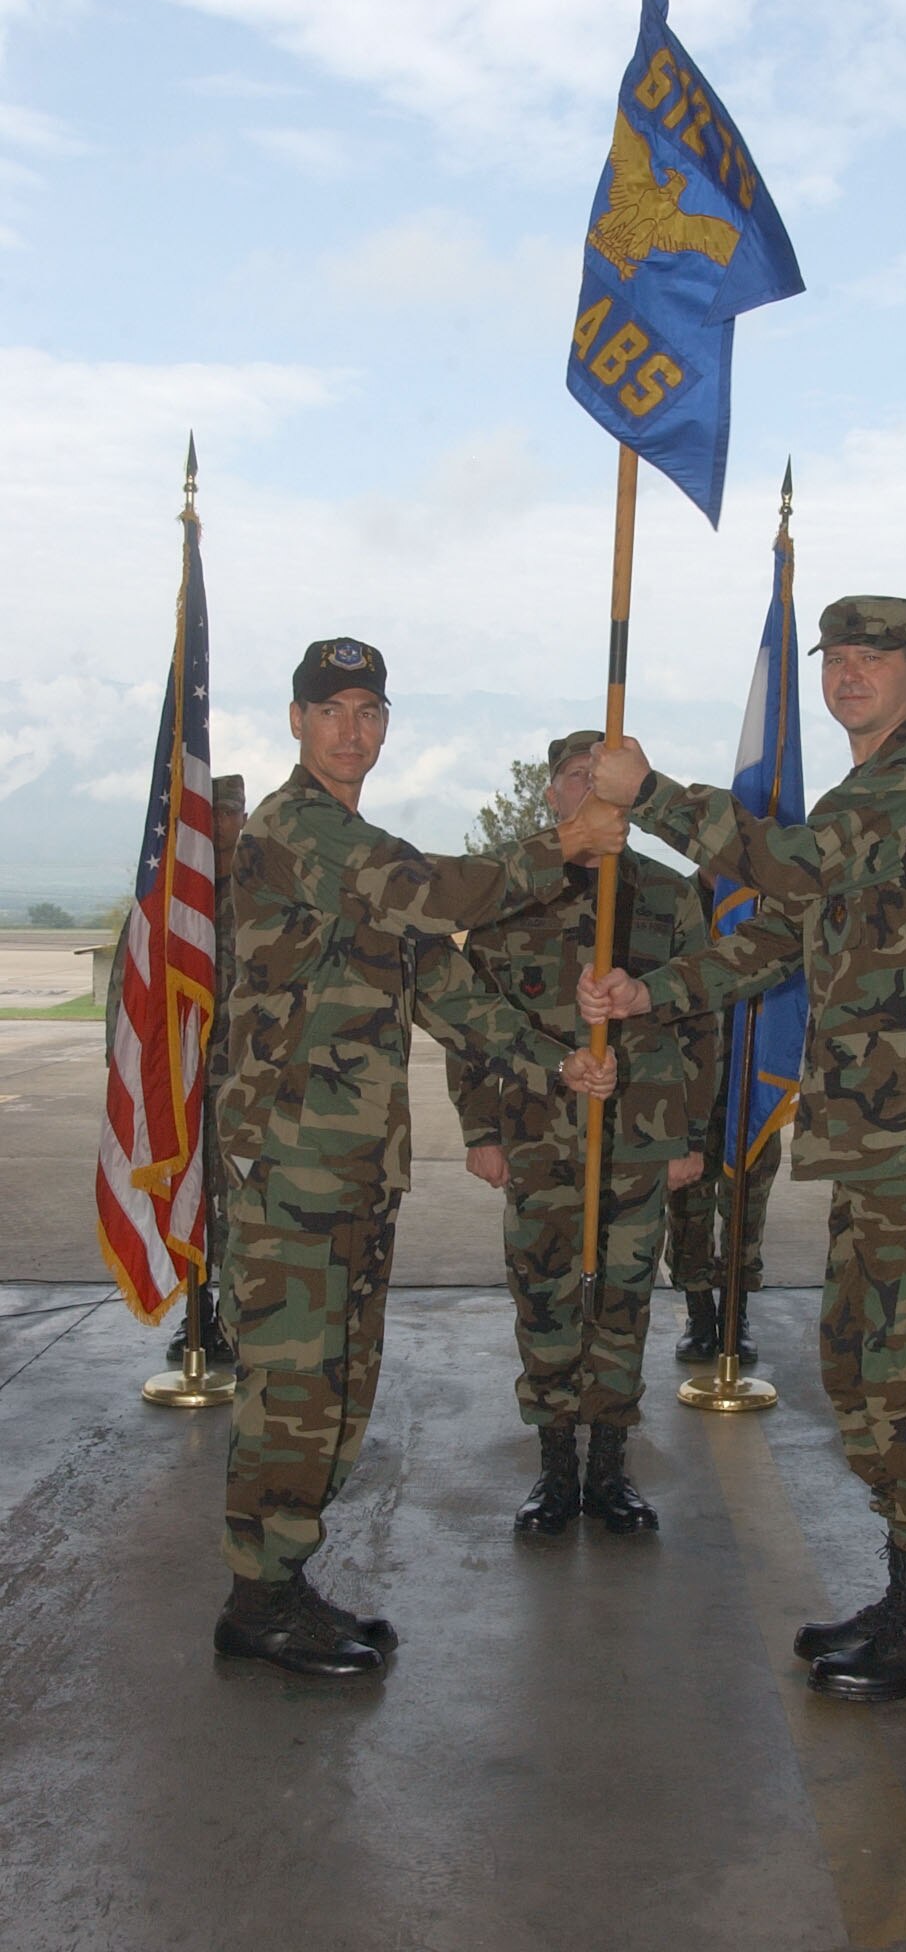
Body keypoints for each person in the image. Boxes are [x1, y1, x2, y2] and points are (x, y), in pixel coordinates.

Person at [581, 596, 906, 1704]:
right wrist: (651, 989)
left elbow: (785, 863)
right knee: (863, 1367)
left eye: (876, 656)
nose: (850, 672)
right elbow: (773, 936)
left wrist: (649, 798)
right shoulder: (857, 798)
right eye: (838, 655)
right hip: (882, 1141)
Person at [213, 641, 621, 1680]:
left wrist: (551, 1060)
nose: (352, 728)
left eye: (369, 708)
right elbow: (439, 893)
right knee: (293, 1383)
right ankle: (257, 1599)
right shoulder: (294, 829)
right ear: (296, 721)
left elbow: (443, 980)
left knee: (342, 1377)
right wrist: (561, 845)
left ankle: (285, 1579)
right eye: (331, 708)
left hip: (353, 1161)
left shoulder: (355, 842)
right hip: (292, 1164)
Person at [448, 731, 717, 1536]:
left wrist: (690, 1137)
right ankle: (555, 1468)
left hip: (640, 1136)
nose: (594, 792)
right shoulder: (510, 892)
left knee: (625, 1301)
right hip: (538, 1137)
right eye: (576, 778)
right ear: (552, 796)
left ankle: (610, 1469)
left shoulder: (668, 897)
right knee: (545, 1297)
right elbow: (469, 1024)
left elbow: (702, 1023)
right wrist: (480, 1129)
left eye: (606, 779)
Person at [105, 773, 247, 1365]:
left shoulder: (265, 898)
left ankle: (239, 1324)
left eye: (232, 815)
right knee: (188, 1199)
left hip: (245, 1088)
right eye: (213, 817)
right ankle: (196, 1315)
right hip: (179, 1090)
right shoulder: (165, 905)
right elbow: (128, 998)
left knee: (241, 1210)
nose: (223, 827)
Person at [665, 872, 780, 1367]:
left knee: (746, 1204)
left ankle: (737, 1313)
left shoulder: (768, 908)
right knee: (687, 1206)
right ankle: (698, 1314)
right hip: (688, 1083)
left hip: (752, 1081)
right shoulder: (672, 900)